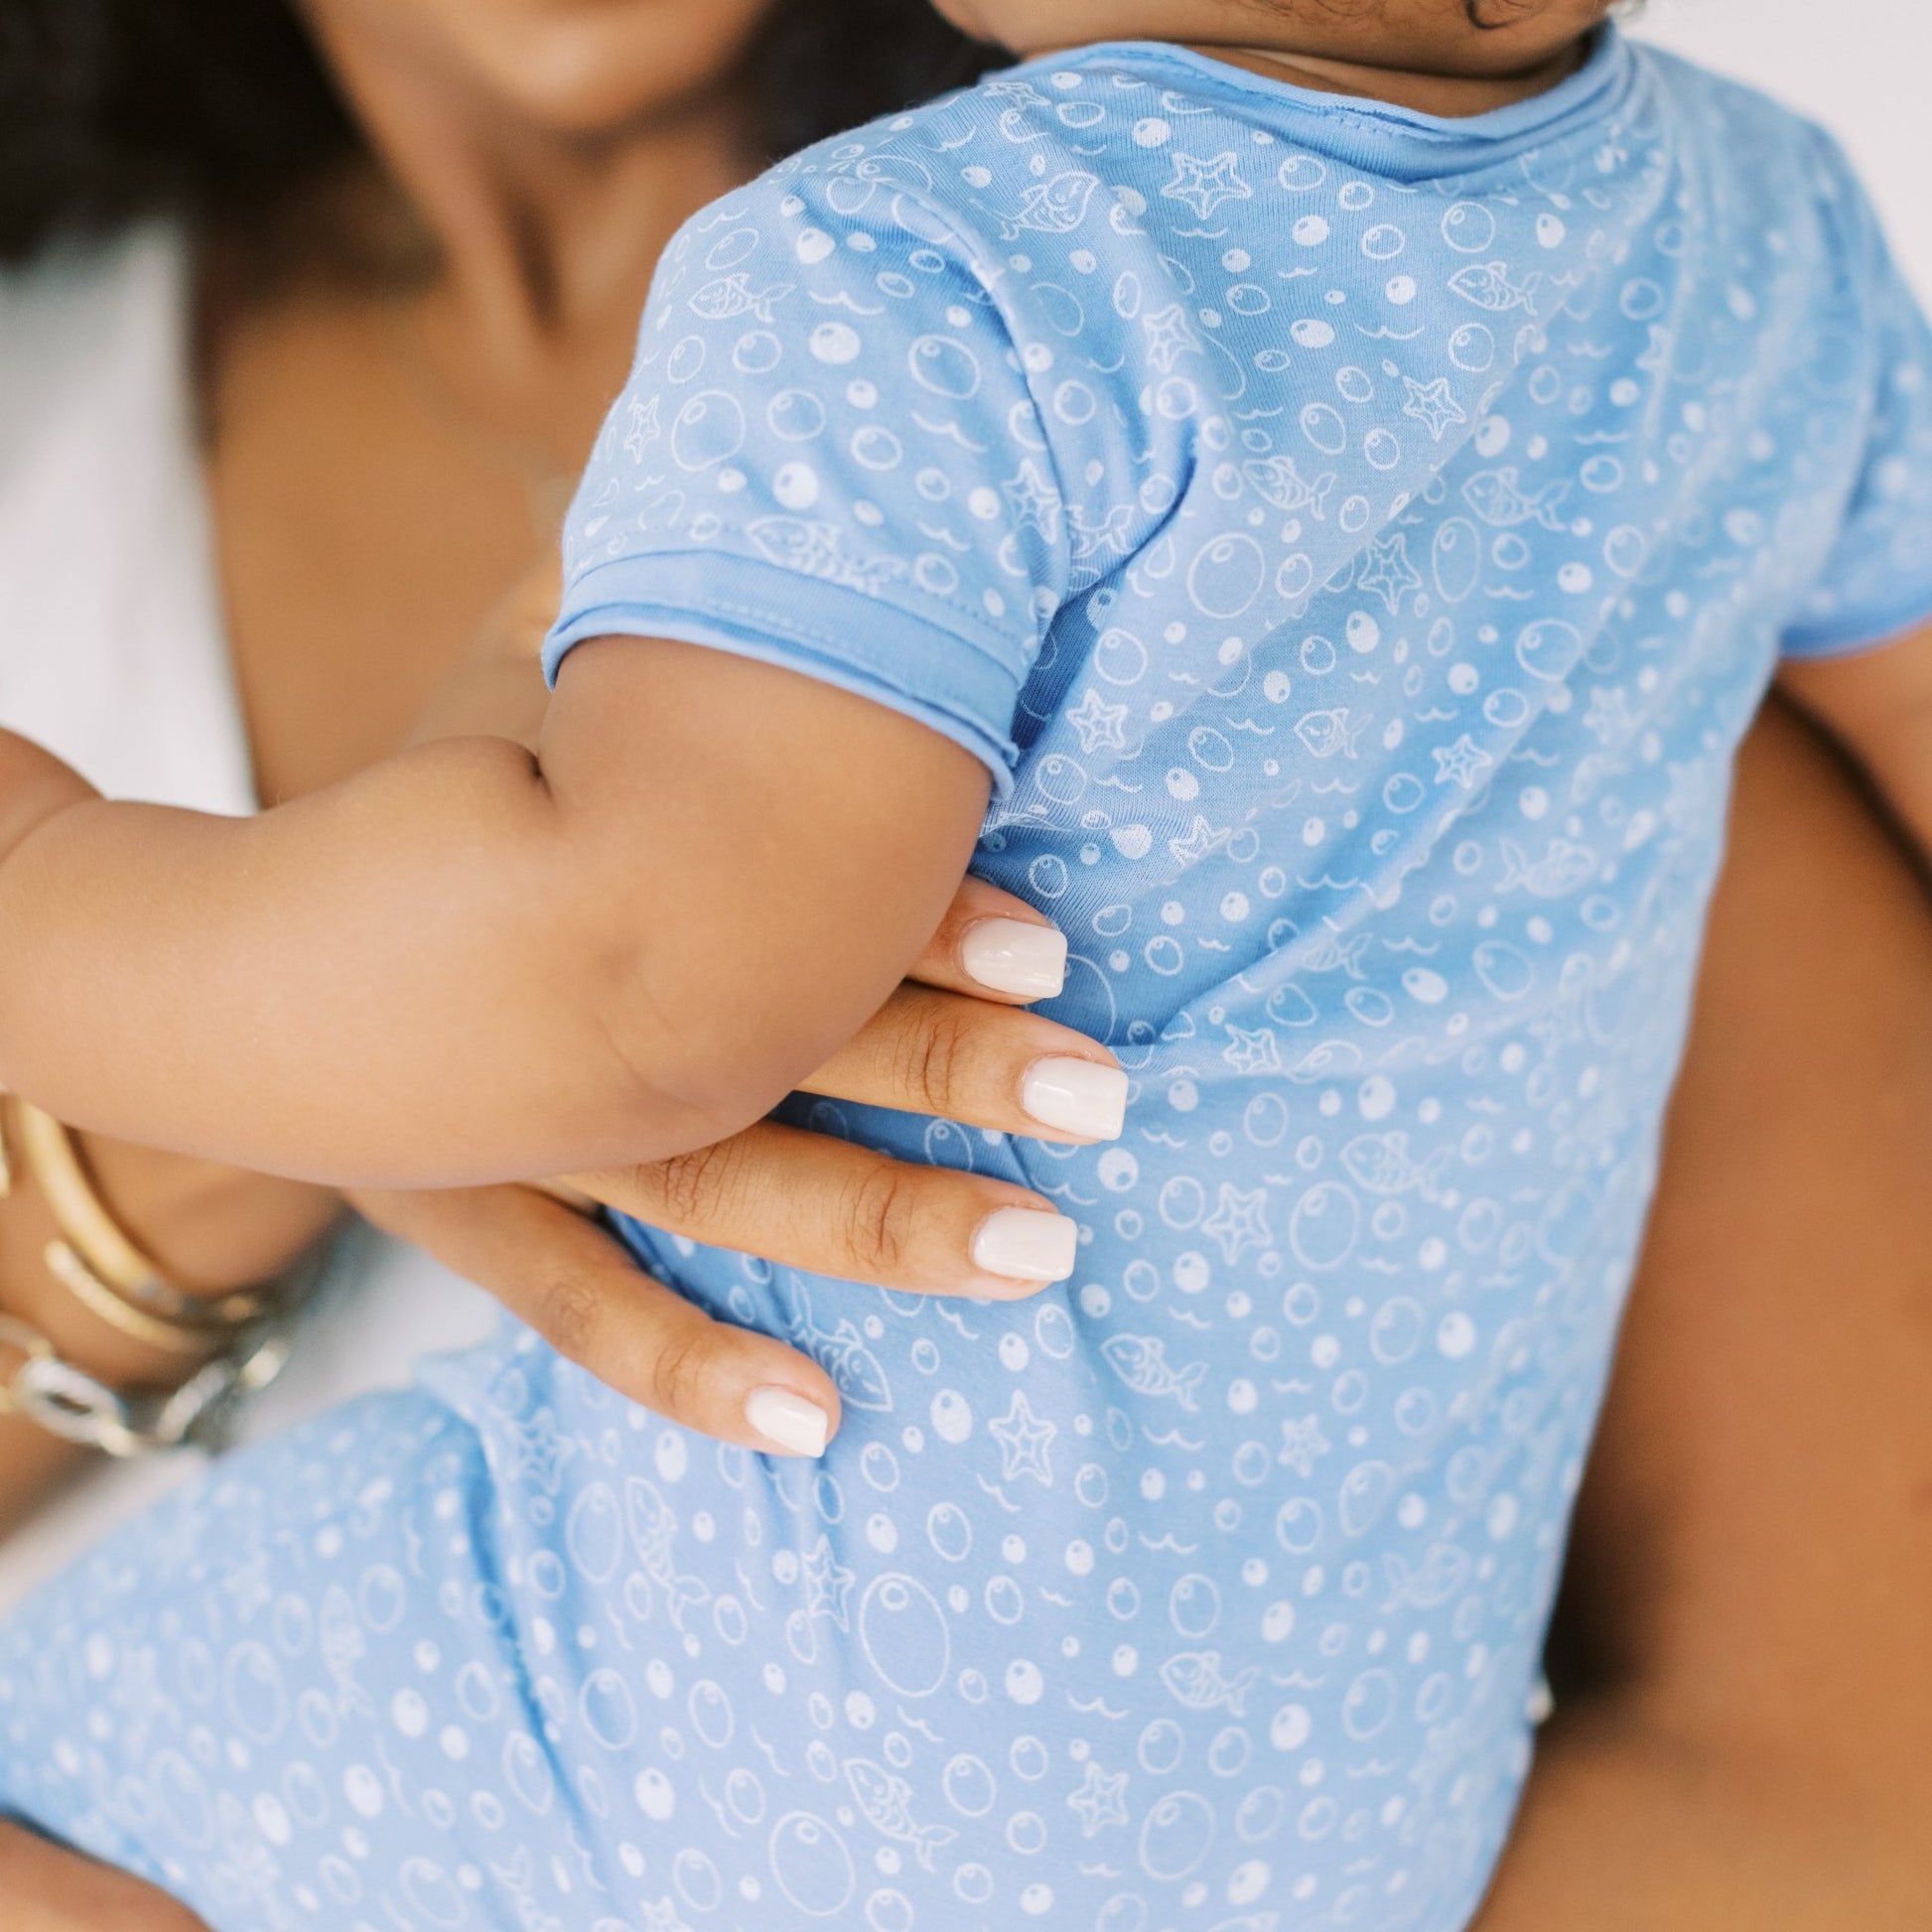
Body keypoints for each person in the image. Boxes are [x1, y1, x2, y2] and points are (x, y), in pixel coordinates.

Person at [3, 0, 1932, 1928]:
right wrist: (198, 1174)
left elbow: (621, 983)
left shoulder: (924, 284)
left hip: (701, 1740)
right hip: (1332, 1847)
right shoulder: (1749, 257)